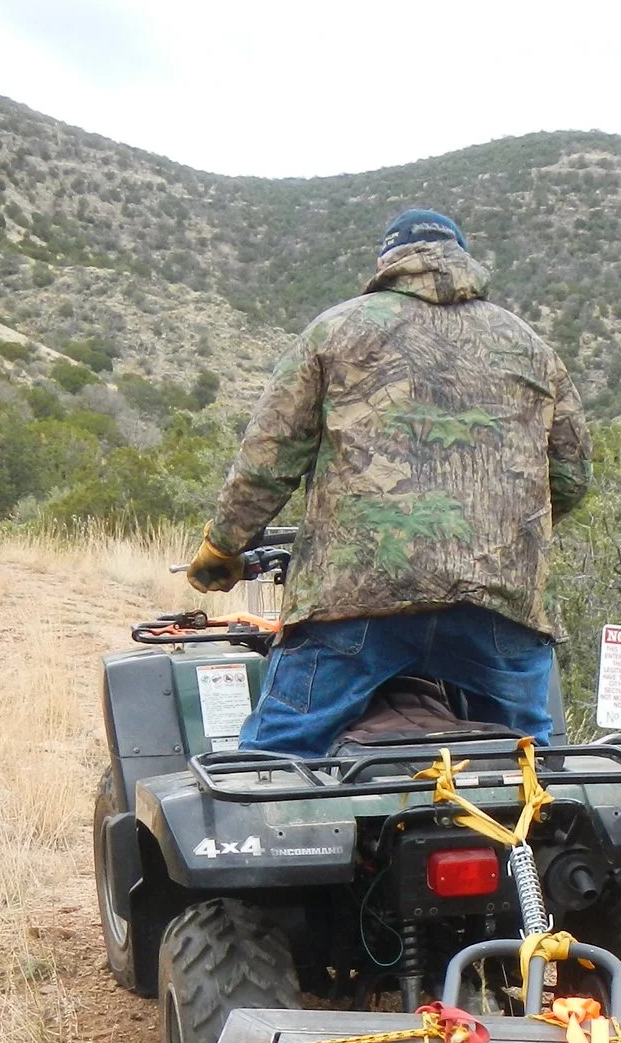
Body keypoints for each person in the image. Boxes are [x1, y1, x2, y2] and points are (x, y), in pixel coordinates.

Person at [188, 208, 591, 754]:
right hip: (498, 604)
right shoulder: (531, 347)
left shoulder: (336, 330)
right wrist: (497, 537)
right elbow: (570, 475)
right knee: (530, 765)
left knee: (278, 760)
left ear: (387, 262)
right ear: (464, 257)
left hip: (357, 599)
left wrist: (224, 545)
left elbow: (271, 455)